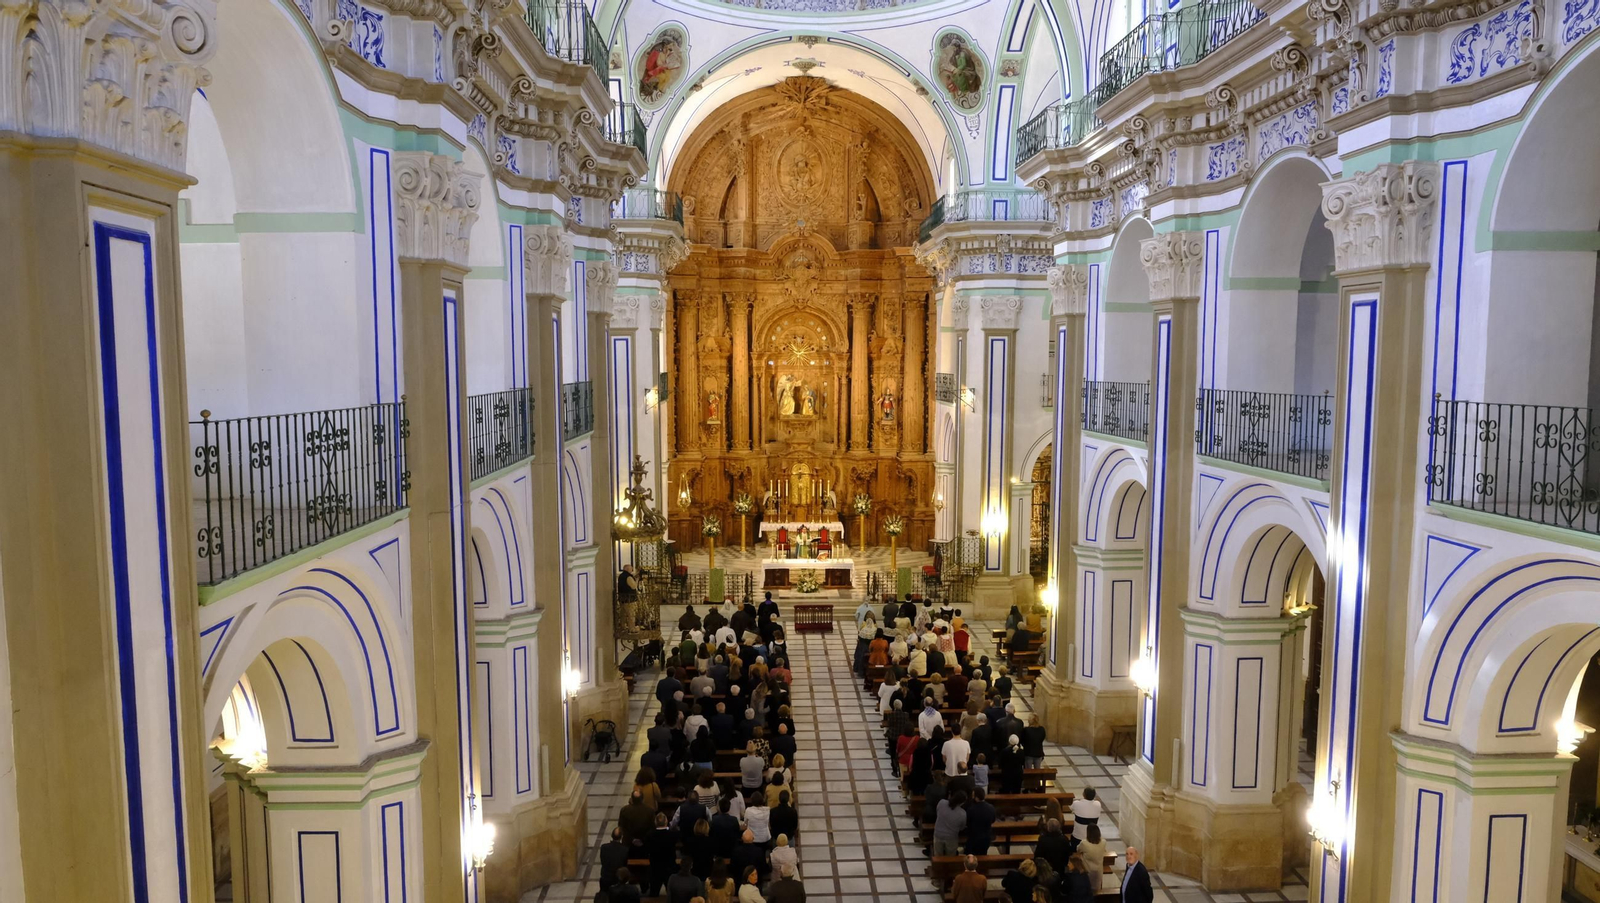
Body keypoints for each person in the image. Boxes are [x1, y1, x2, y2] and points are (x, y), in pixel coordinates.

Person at [644, 812, 677, 897]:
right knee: (671, 894)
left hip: (655, 868)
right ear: (666, 822)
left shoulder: (650, 835)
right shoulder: (672, 834)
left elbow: (647, 849)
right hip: (669, 867)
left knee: (653, 893)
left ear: (655, 822)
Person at [932, 790, 968, 857]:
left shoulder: (942, 802)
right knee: (951, 856)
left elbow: (938, 813)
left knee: (938, 855)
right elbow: (962, 827)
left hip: (938, 833)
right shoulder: (962, 813)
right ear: (961, 803)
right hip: (951, 837)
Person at [963, 786, 996, 856]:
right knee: (983, 855)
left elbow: (967, 823)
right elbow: (993, 820)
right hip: (986, 837)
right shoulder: (991, 807)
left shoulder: (971, 810)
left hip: (974, 838)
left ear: (976, 797)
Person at [1078, 824, 1108, 893]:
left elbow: (1078, 849)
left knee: (1087, 890)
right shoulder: (1103, 842)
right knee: (1096, 890)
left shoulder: (1084, 843)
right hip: (1098, 871)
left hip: (1088, 871)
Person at [599, 827, 629, 893]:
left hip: (605, 877)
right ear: (621, 837)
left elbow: (603, 861)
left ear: (612, 836)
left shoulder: (604, 847)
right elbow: (624, 865)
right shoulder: (625, 850)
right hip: (617, 879)